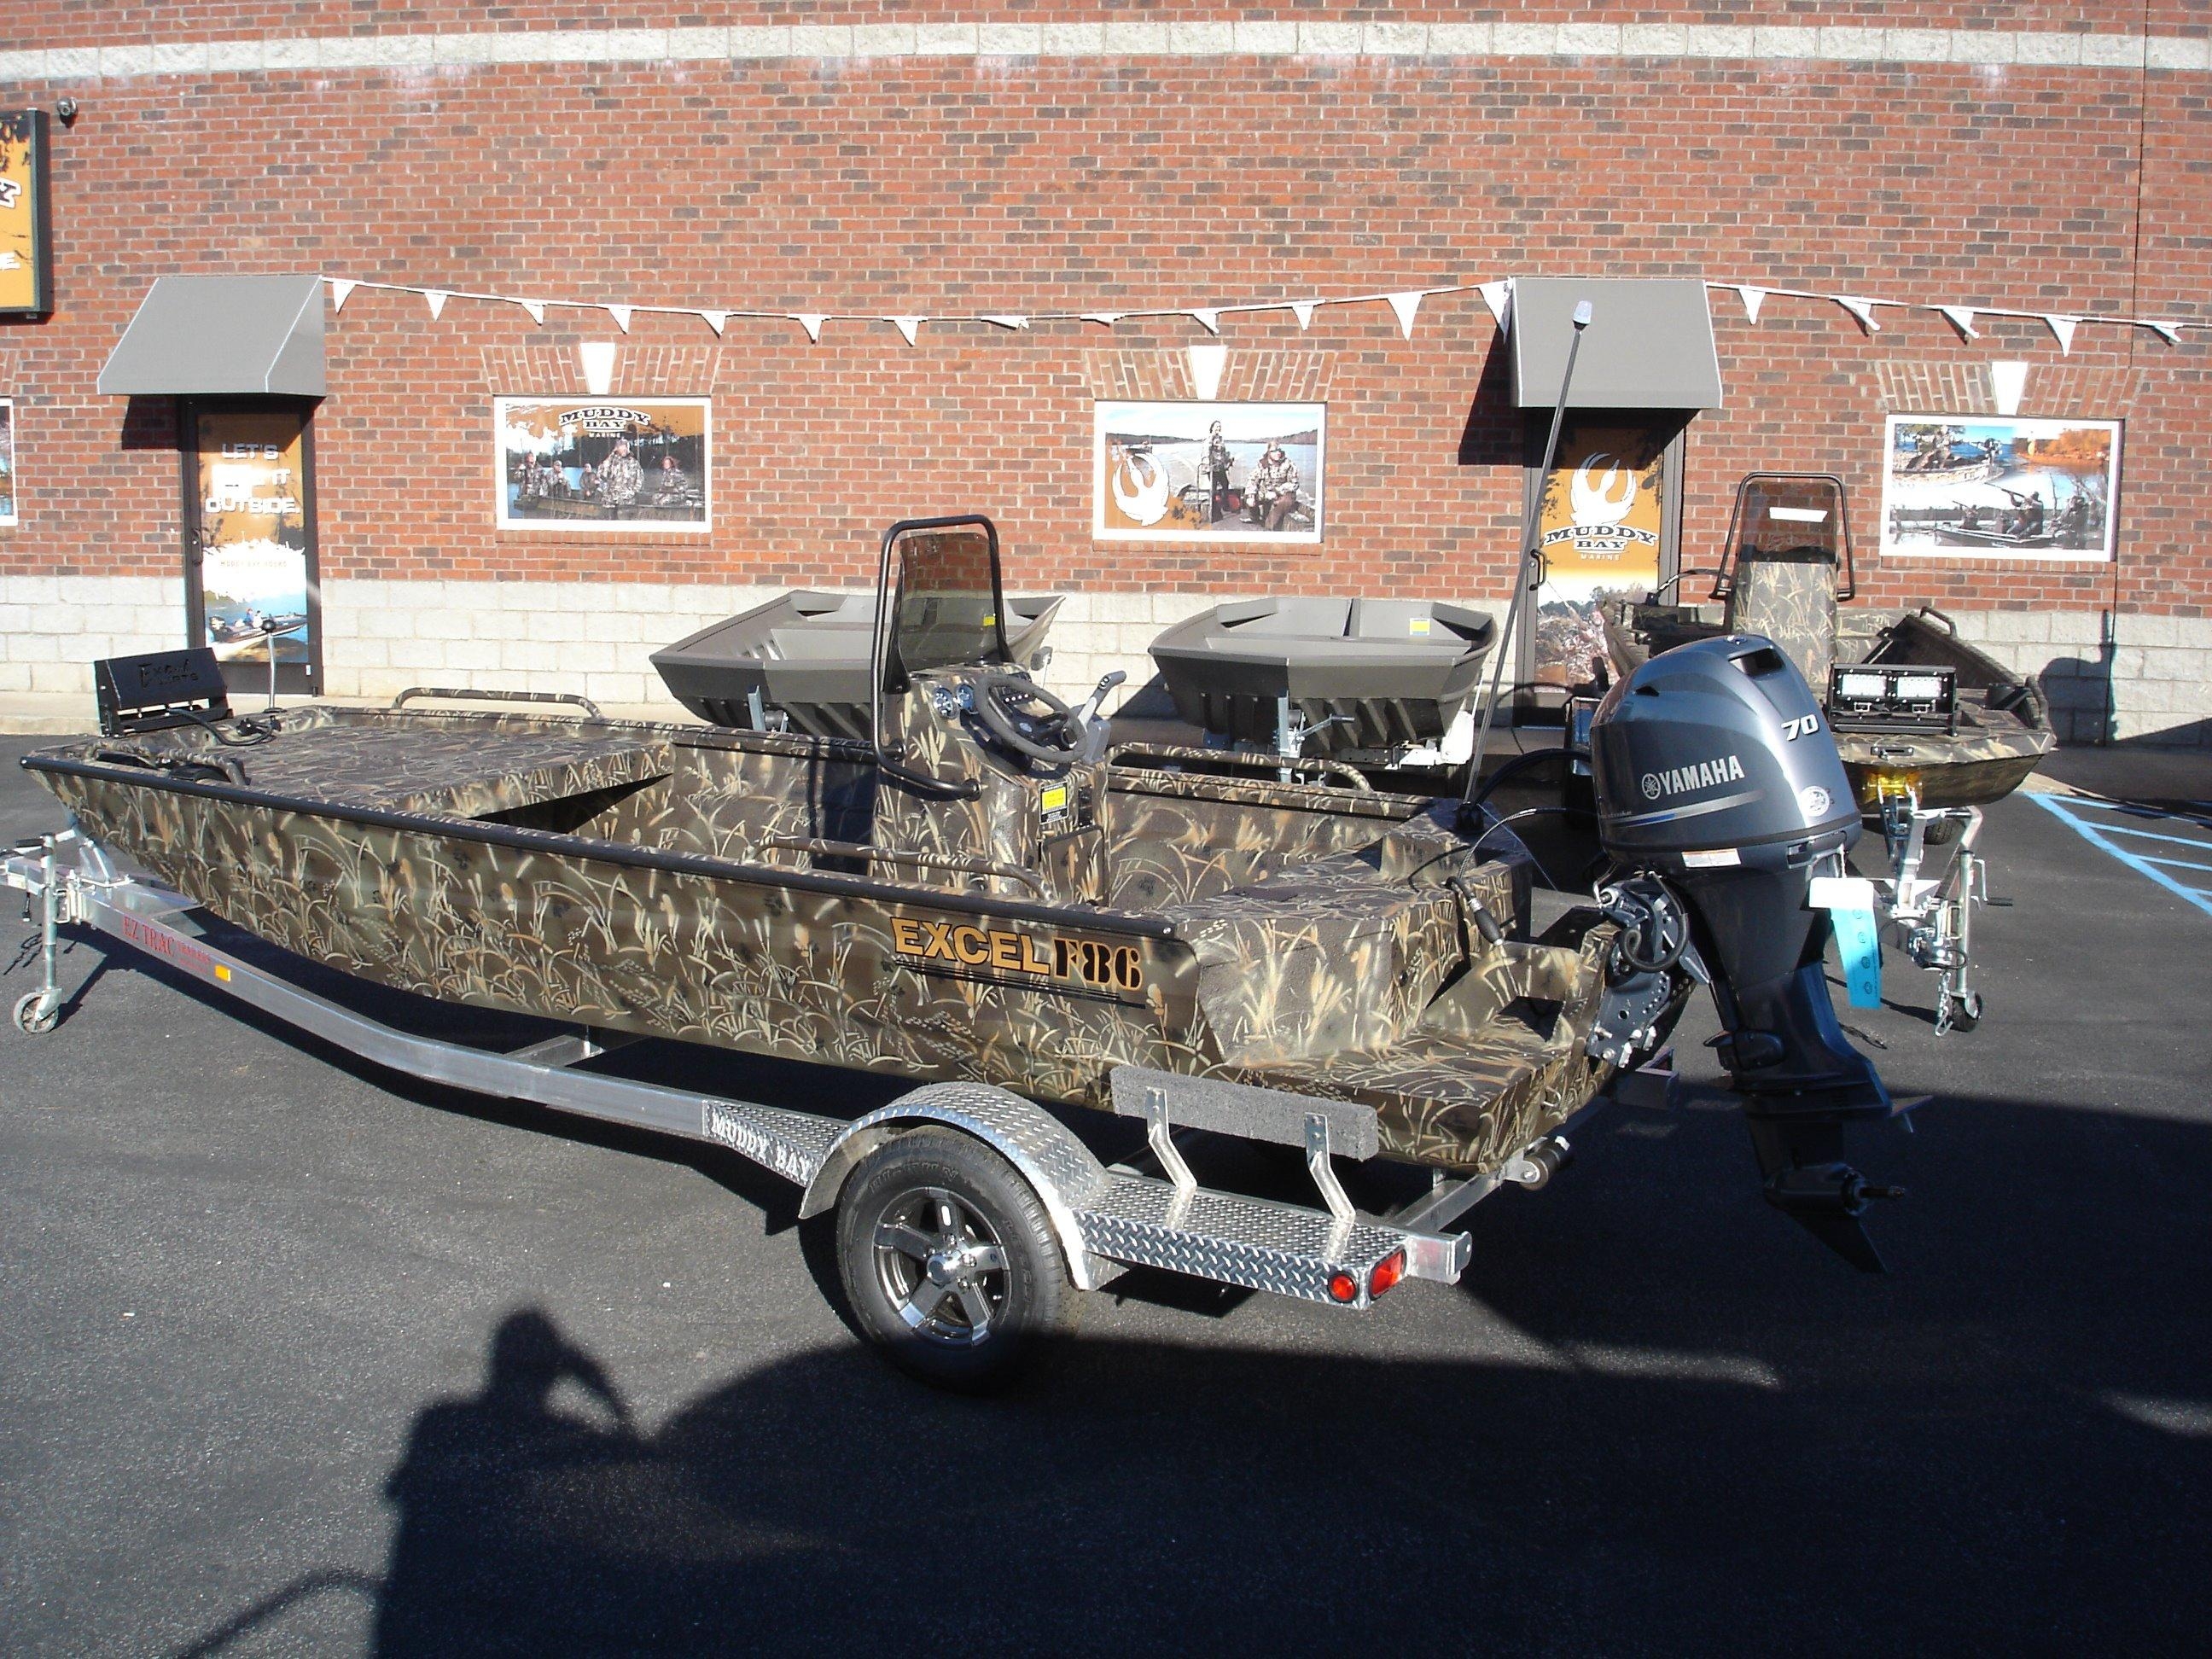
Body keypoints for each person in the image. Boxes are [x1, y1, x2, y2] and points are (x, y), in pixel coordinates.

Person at [1246, 443, 1301, 532]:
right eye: (1274, 451)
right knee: (1249, 495)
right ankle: (1255, 518)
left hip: (1285, 493)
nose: (1277, 453)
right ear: (1269, 452)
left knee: (1284, 502)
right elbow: (1253, 479)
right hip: (1268, 491)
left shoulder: (1289, 464)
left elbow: (1294, 483)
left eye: (1279, 450)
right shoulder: (1263, 463)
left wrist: (1277, 492)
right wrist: (1250, 496)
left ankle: (1269, 526)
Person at [596, 437, 643, 509]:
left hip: (627, 499)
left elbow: (640, 478)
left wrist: (633, 491)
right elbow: (601, 473)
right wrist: (612, 455)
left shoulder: (634, 463)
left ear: (628, 449)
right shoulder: (612, 461)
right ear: (617, 449)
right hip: (611, 498)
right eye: (621, 449)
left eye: (625, 449)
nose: (623, 451)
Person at [1204, 420, 1233, 522]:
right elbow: (1206, 452)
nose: (1218, 428)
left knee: (1225, 484)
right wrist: (1207, 463)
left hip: (1220, 467)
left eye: (1219, 427)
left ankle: (1225, 506)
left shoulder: (1221, 439)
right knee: (1214, 489)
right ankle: (1214, 511)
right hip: (1212, 467)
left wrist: (1228, 461)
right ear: (1212, 427)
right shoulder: (1209, 439)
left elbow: (1223, 453)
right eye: (1216, 426)